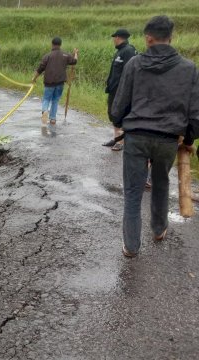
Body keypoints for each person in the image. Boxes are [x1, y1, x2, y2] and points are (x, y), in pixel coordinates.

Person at [111, 15, 198, 258]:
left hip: (137, 136)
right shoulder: (188, 68)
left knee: (133, 191)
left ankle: (131, 246)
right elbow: (195, 113)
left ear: (148, 38)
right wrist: (189, 139)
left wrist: (120, 124)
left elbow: (118, 106)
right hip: (168, 139)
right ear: (171, 37)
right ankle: (159, 230)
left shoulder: (135, 64)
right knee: (161, 183)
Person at [31, 37, 79, 136]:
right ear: (60, 45)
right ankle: (53, 119)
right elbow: (74, 61)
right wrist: (75, 53)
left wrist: (34, 78)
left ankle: (45, 113)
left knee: (46, 99)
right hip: (60, 83)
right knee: (55, 100)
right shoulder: (65, 55)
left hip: (49, 83)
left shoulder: (47, 56)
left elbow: (40, 69)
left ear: (52, 44)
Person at [103, 28, 138, 151]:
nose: (113, 40)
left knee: (121, 114)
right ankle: (116, 139)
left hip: (122, 91)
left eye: (114, 38)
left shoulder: (128, 51)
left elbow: (129, 73)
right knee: (113, 114)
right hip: (114, 89)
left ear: (118, 38)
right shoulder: (120, 51)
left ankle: (121, 141)